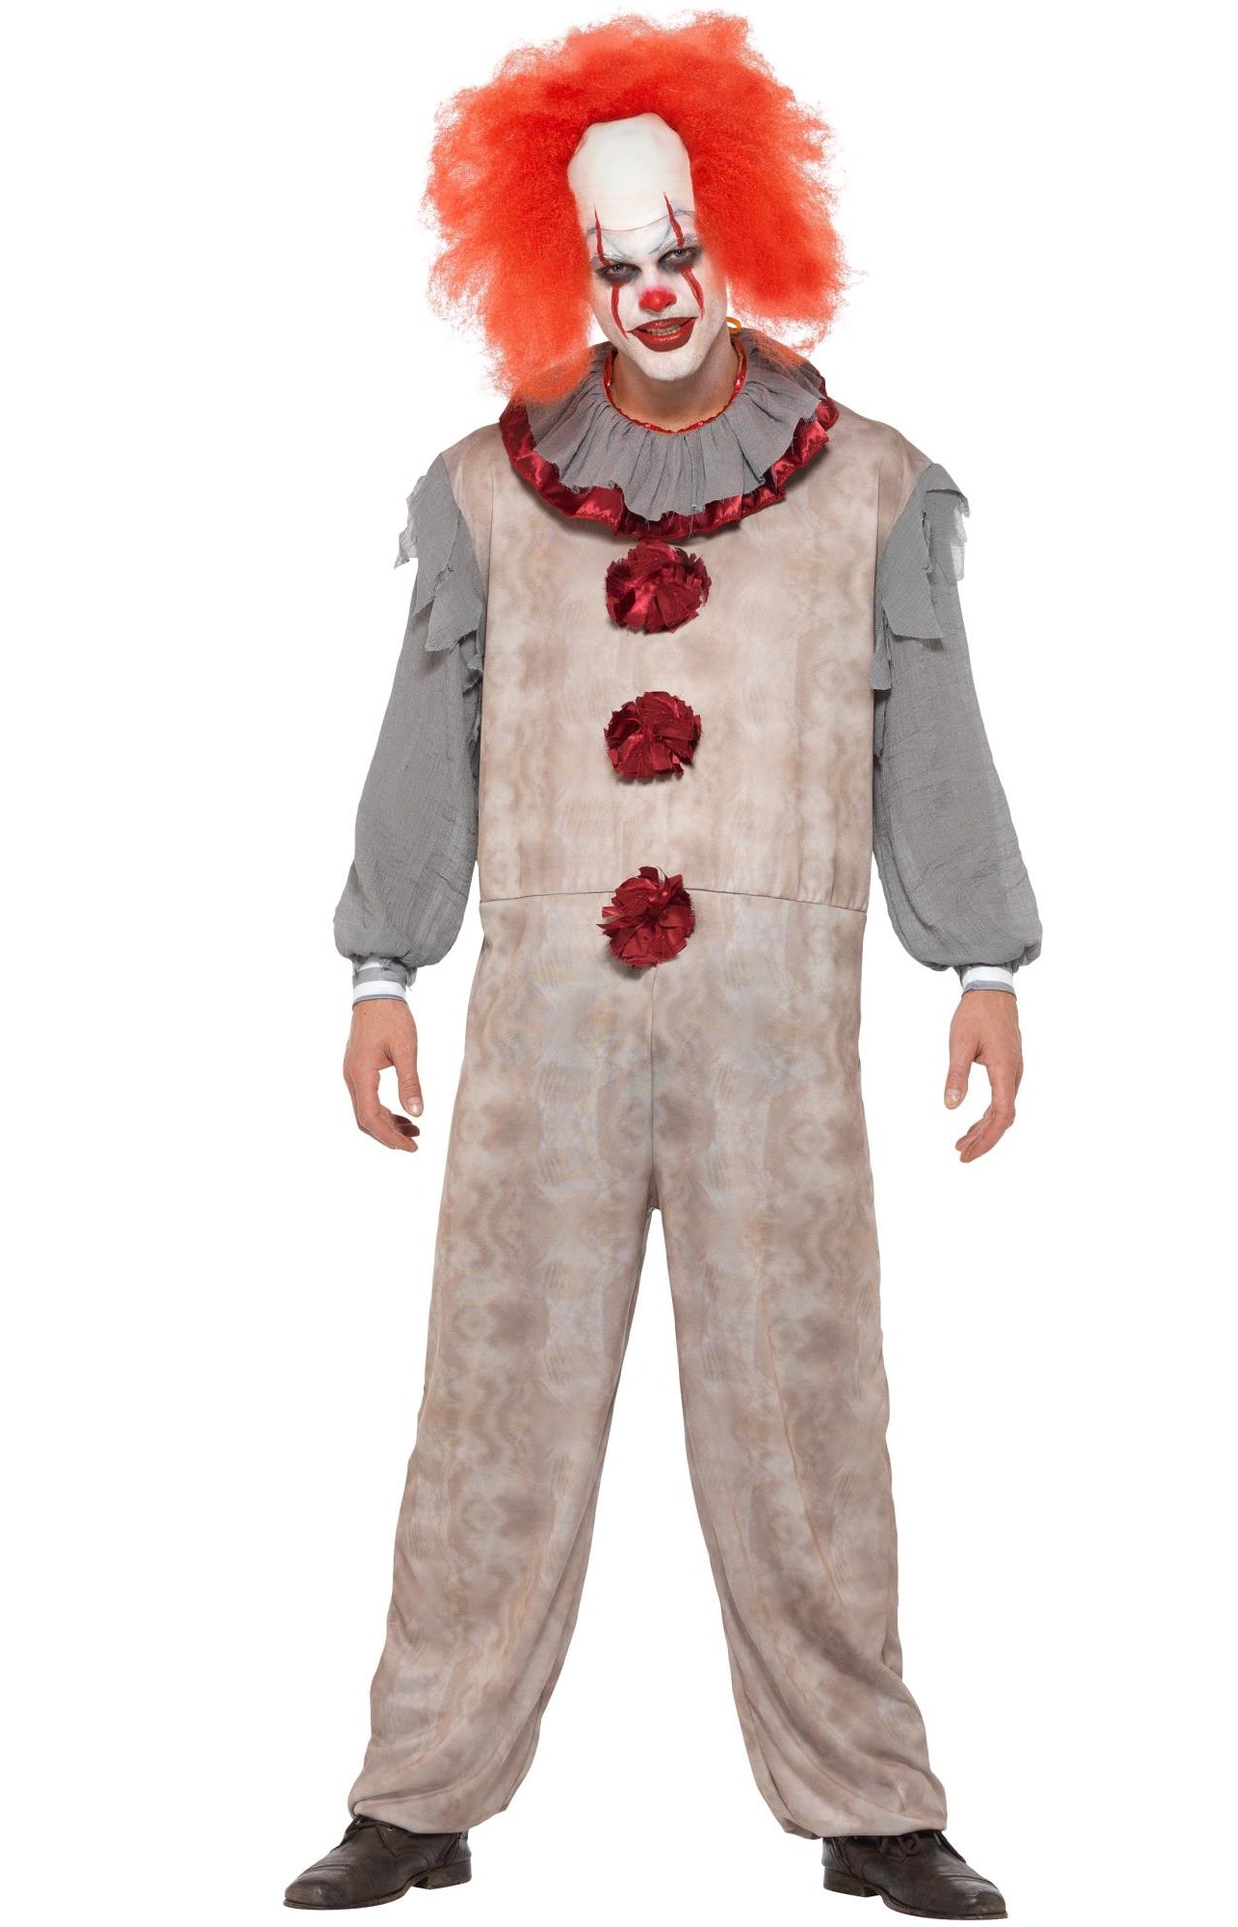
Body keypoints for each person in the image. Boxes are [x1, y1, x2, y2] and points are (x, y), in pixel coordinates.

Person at [285, 13, 1041, 1917]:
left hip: (775, 1035)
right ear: (571, 274)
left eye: (679, 246)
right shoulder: (487, 491)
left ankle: (871, 1799)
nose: (656, 290)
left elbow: (935, 741)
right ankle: (419, 1791)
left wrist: (982, 966)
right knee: (491, 1399)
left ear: (735, 236)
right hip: (544, 1024)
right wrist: (380, 974)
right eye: (616, 262)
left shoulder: (868, 487)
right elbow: (424, 742)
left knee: (806, 1399)